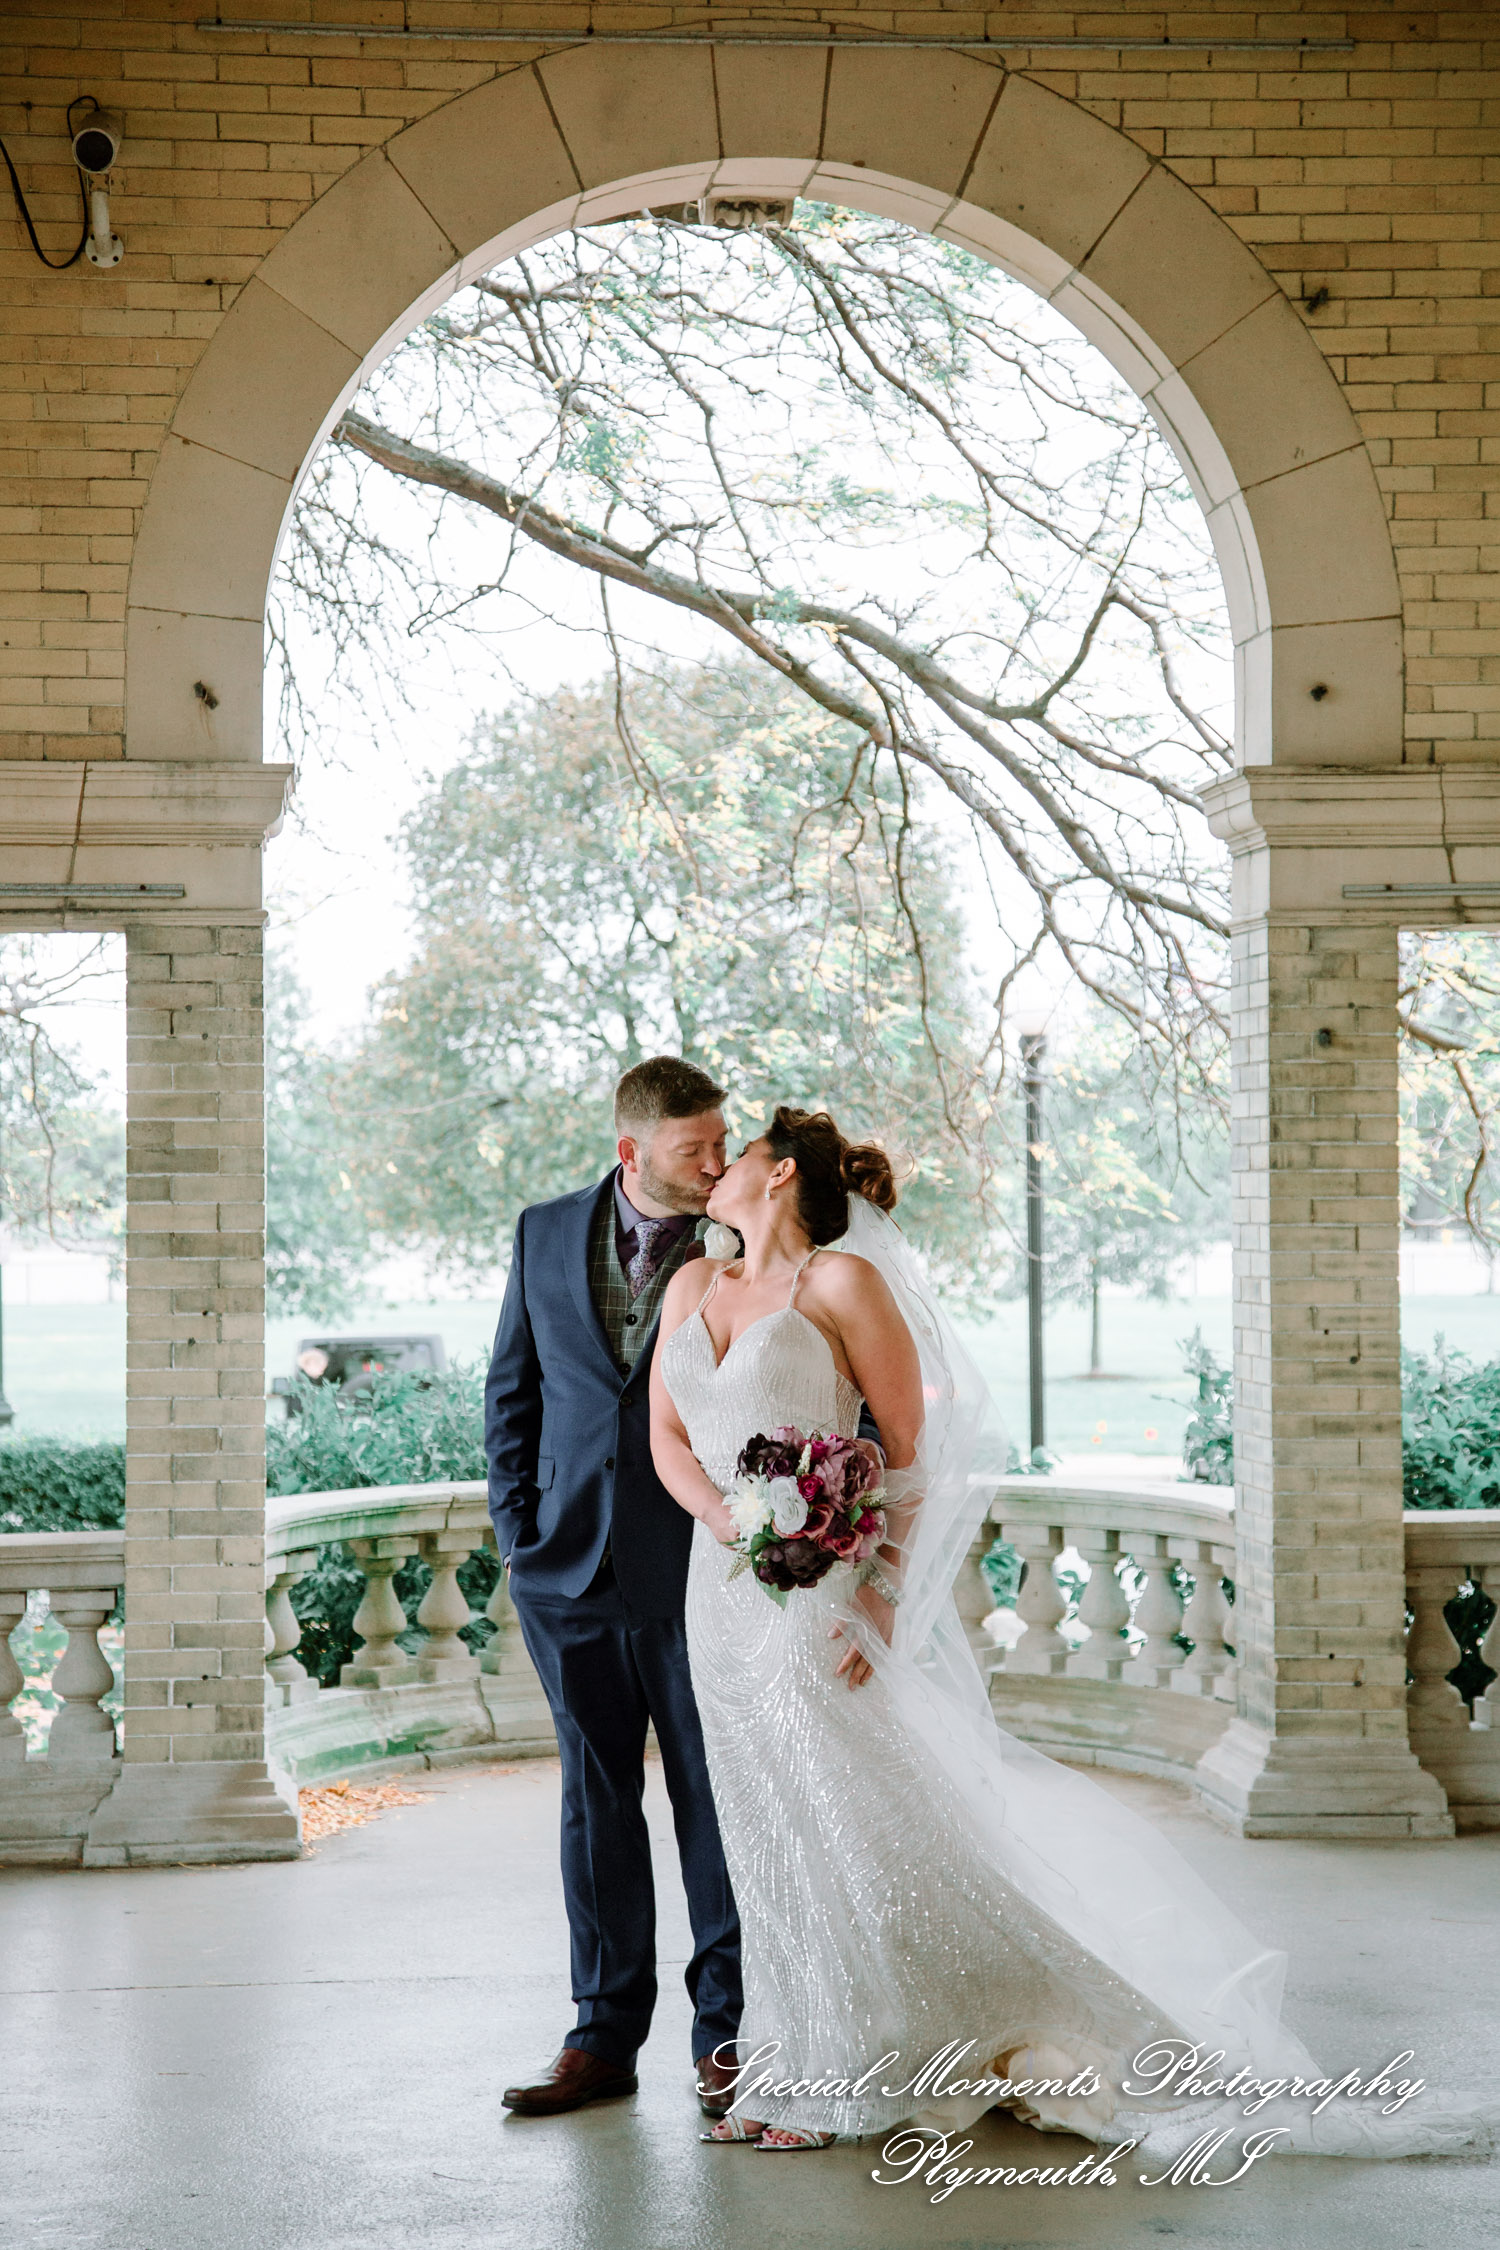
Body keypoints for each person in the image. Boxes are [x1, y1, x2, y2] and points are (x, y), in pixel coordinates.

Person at [649, 1105, 1499, 2161]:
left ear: (777, 1176)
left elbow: (911, 1446)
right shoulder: (695, 1285)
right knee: (764, 1824)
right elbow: (668, 1437)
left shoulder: (840, 1285)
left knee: (844, 1817)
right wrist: (733, 1519)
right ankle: (793, 2054)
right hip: (720, 1589)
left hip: (823, 1588)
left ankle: (848, 2071)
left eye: (735, 1156)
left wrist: (879, 1592)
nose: (716, 1170)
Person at [486, 1058, 743, 2121]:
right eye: (696, 1151)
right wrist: (518, 1539)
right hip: (565, 1571)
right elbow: (513, 1389)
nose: (718, 1166)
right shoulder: (542, 1231)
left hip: (700, 1572)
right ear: (632, 1151)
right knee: (595, 1803)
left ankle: (729, 2036)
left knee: (713, 1799)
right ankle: (601, 2038)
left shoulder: (745, 1241)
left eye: (723, 1145)